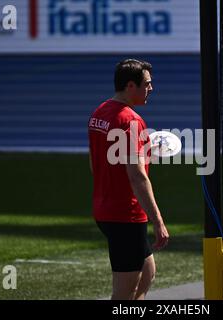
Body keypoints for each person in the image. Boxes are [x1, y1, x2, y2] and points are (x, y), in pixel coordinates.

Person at [88, 59, 169, 300]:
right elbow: (137, 176)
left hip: (104, 209)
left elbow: (95, 161)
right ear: (130, 86)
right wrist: (158, 221)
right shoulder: (131, 121)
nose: (151, 89)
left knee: (147, 273)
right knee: (125, 293)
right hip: (125, 215)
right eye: (147, 84)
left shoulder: (99, 113)